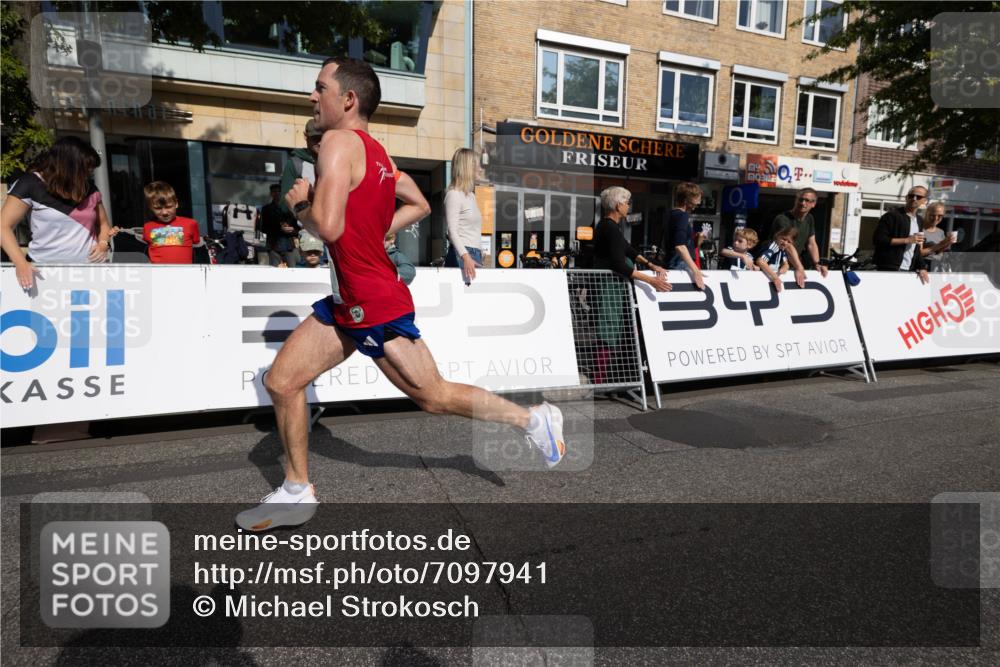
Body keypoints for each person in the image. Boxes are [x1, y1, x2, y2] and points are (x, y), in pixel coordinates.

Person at [236, 57, 568, 532]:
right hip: (347, 302)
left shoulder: (337, 142)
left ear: (348, 99)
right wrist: (372, 233)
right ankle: (296, 491)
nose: (312, 96)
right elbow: (419, 204)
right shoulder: (379, 156)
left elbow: (326, 226)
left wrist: (301, 203)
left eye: (320, 88)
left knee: (434, 395)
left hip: (372, 302)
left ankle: (533, 419)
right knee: (283, 381)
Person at [1, 136, 114, 291]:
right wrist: (20, 262)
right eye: (86, 168)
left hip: (89, 271)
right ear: (69, 165)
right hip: (42, 273)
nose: (90, 173)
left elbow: (104, 224)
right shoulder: (30, 183)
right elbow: (3, 226)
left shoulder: (90, 189)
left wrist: (103, 244)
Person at [591, 186, 671, 385]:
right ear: (618, 205)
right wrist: (651, 280)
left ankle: (609, 377)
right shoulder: (609, 228)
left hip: (613, 287)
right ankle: (600, 380)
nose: (628, 206)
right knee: (608, 331)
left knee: (615, 330)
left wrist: (651, 264)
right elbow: (619, 263)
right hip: (609, 288)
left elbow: (628, 249)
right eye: (627, 203)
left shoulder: (610, 226)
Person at [872, 185, 930, 284]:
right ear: (906, 198)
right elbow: (878, 239)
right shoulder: (891, 216)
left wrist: (922, 267)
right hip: (889, 268)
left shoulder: (919, 220)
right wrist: (907, 240)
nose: (914, 198)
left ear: (925, 201)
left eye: (918, 197)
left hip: (909, 270)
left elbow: (916, 249)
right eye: (911, 196)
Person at [444, 147, 484, 284]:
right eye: (477, 165)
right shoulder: (454, 194)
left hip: (473, 253)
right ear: (467, 167)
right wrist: (466, 256)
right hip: (462, 255)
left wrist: (479, 250)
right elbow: (452, 231)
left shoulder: (471, 196)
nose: (480, 169)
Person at [770, 188, 828, 277]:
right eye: (800, 199)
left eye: (807, 200)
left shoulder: (809, 218)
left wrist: (817, 263)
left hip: (792, 266)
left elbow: (811, 243)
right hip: (775, 266)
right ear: (796, 200)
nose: (803, 203)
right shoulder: (783, 218)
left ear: (813, 204)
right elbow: (786, 245)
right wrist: (799, 267)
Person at [141, 181, 201, 264]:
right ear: (151, 207)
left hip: (184, 271)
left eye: (168, 207)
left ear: (176, 203)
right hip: (158, 271)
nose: (164, 212)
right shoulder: (147, 227)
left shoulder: (191, 224)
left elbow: (196, 242)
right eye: (158, 208)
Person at [659, 182, 705, 290]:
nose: (698, 202)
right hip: (680, 264)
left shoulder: (669, 214)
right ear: (686, 200)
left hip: (670, 262)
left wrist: (696, 240)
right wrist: (696, 271)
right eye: (697, 199)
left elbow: (676, 242)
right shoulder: (682, 215)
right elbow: (679, 246)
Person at [755, 226, 806, 293]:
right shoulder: (773, 246)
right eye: (783, 239)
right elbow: (760, 261)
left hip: (768, 277)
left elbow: (786, 264)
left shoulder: (782, 249)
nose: (785, 243)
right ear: (777, 236)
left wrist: (784, 268)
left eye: (789, 242)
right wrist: (775, 277)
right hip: (758, 276)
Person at [260, 183, 300, 267]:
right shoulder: (266, 209)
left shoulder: (290, 208)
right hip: (274, 246)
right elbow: (263, 228)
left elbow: (297, 226)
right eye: (274, 191)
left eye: (279, 191)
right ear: (271, 194)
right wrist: (279, 228)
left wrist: (292, 230)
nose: (277, 193)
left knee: (292, 270)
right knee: (275, 271)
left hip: (289, 245)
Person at [919, 200, 954, 272]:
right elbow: (919, 253)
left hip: (937, 267)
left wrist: (947, 244)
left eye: (940, 216)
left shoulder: (940, 232)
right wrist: (941, 244)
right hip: (923, 267)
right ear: (927, 213)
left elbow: (939, 252)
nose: (936, 218)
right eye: (933, 215)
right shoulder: (919, 229)